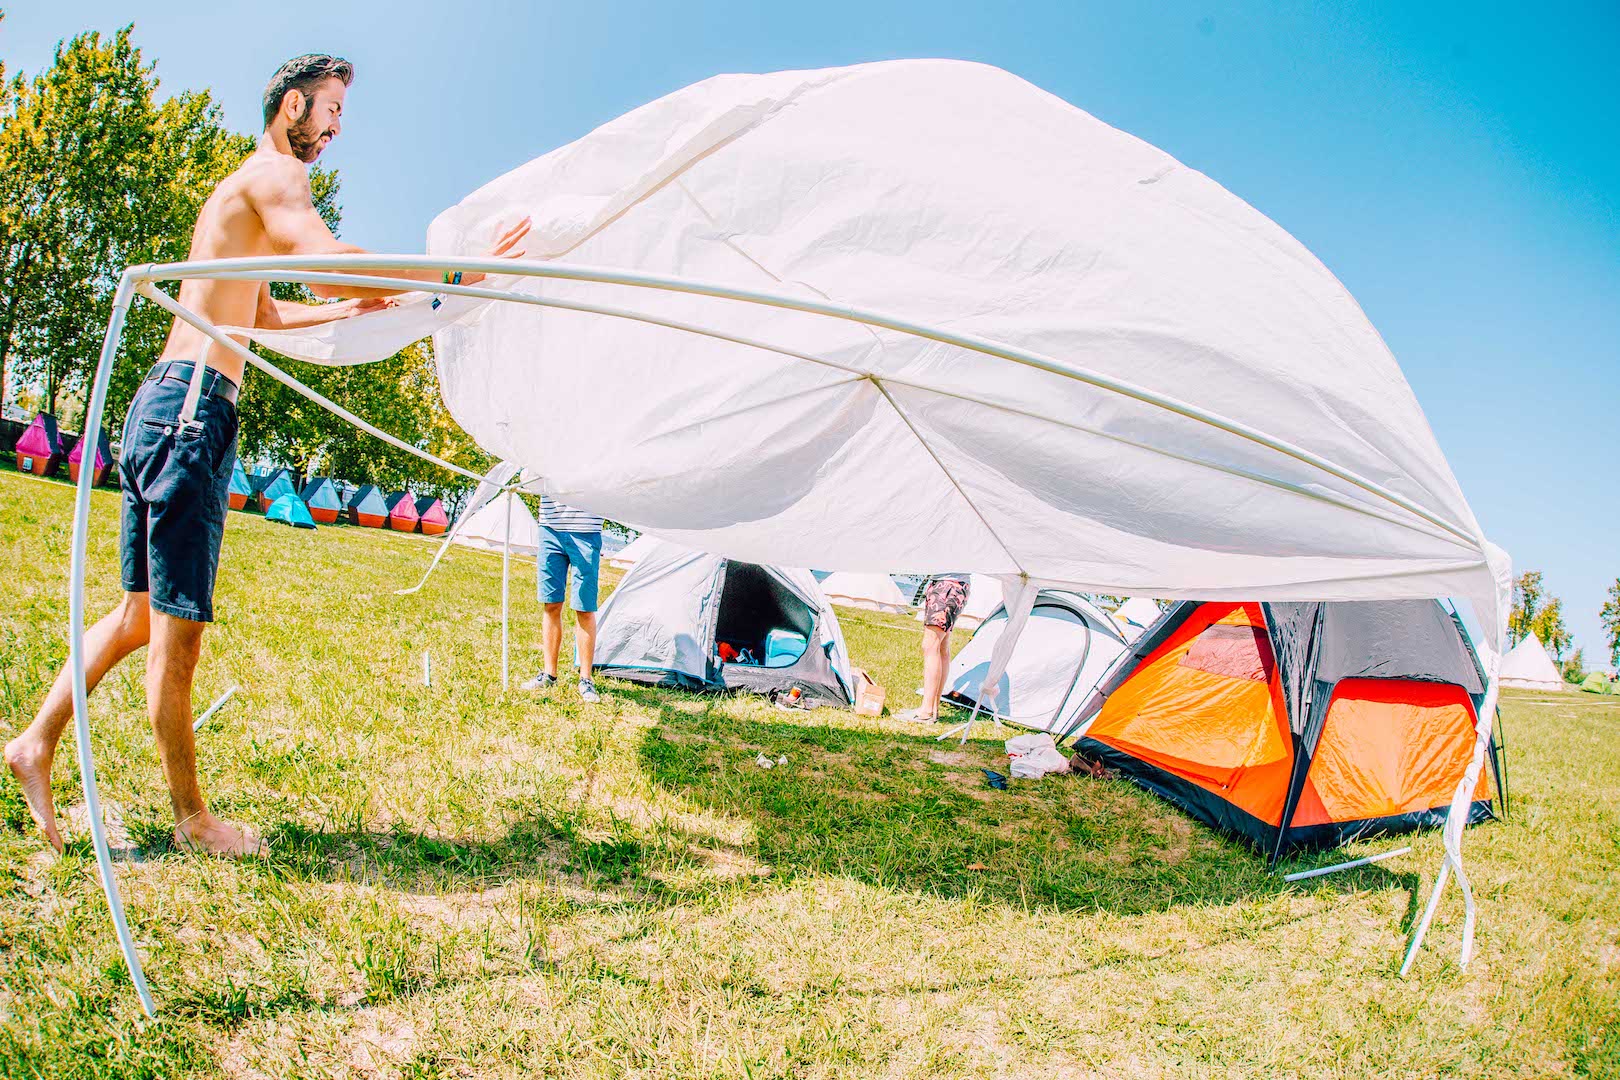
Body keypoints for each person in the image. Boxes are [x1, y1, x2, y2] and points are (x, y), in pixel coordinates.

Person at [4, 54, 531, 857]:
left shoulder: (239, 188)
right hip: (190, 413)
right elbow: (326, 268)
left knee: (138, 615)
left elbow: (261, 311)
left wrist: (363, 306)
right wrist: (461, 272)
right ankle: (192, 822)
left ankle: (32, 743)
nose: (334, 127)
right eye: (330, 109)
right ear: (292, 103)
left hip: (164, 402)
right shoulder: (278, 178)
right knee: (179, 632)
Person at [521, 497, 606, 703]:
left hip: (586, 530)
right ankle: (549, 674)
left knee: (584, 607)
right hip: (551, 527)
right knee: (551, 603)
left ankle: (586, 679)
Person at [902, 573, 971, 723]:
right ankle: (932, 708)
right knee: (941, 648)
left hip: (946, 585)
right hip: (956, 585)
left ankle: (926, 711)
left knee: (931, 645)